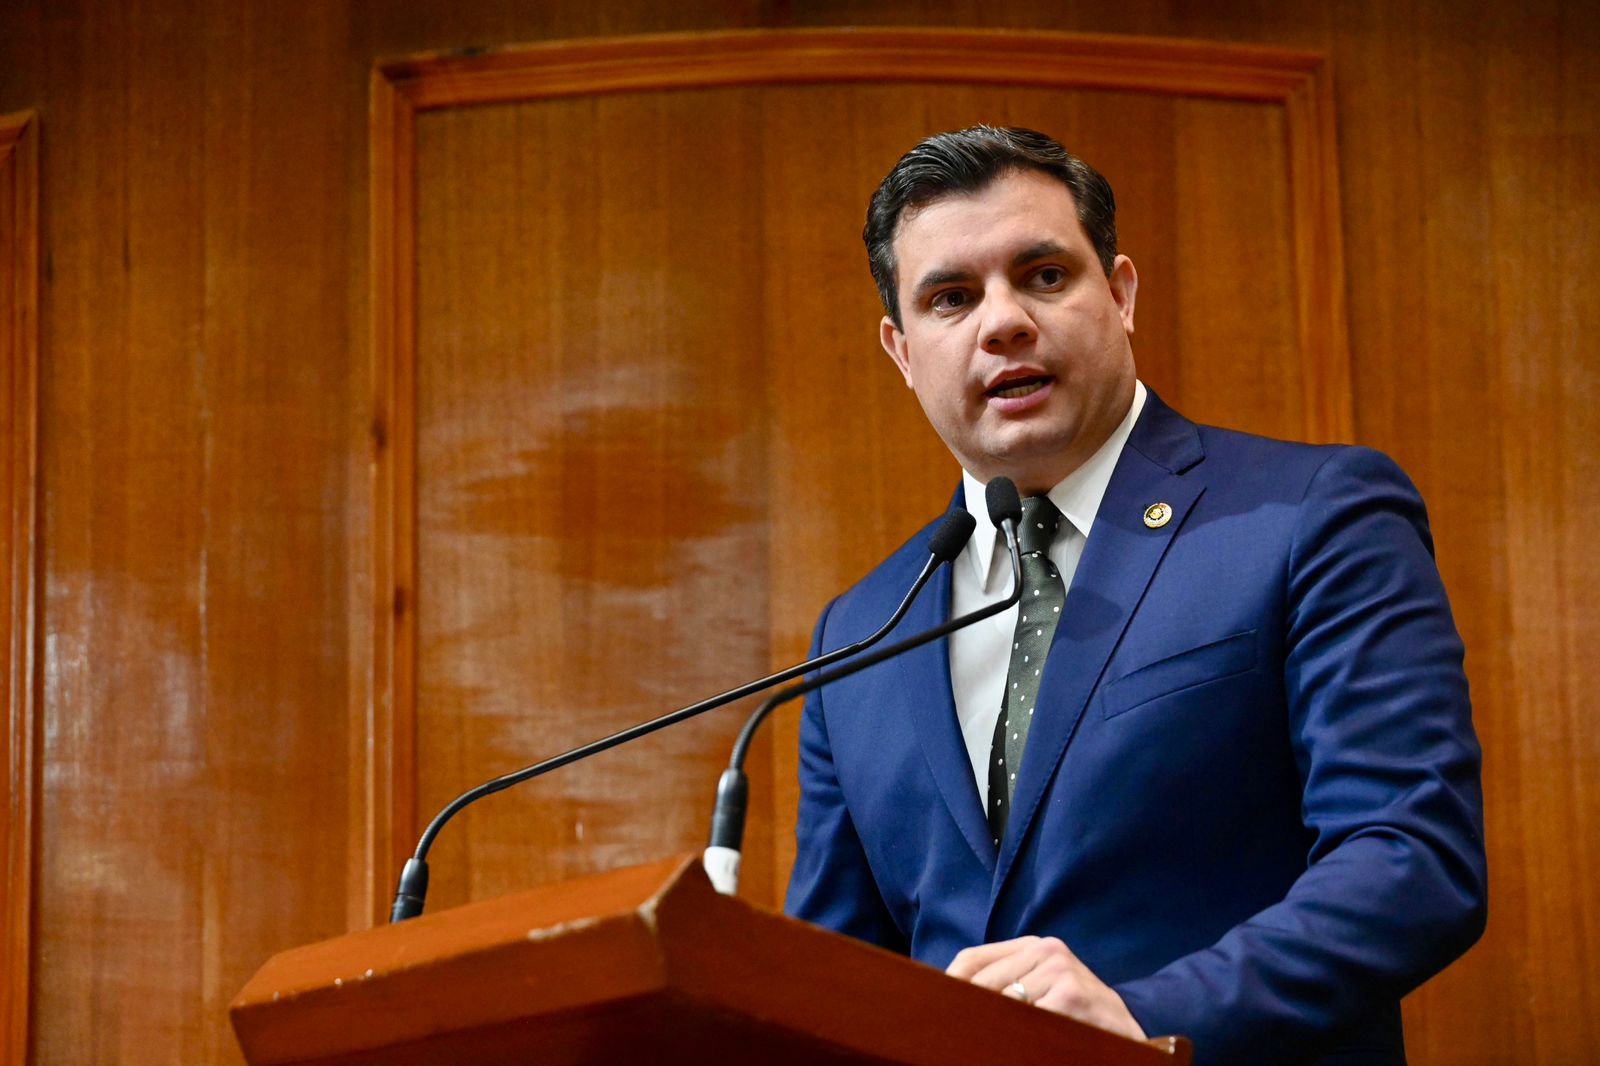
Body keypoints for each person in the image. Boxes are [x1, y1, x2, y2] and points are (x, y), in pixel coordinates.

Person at [784, 126, 1486, 1065]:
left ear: (1119, 295)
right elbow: (832, 981)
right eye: (952, 298)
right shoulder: (864, 632)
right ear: (902, 351)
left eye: (1043, 276)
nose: (1003, 322)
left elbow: (1412, 857)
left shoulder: (1309, 516)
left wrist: (1143, 1016)